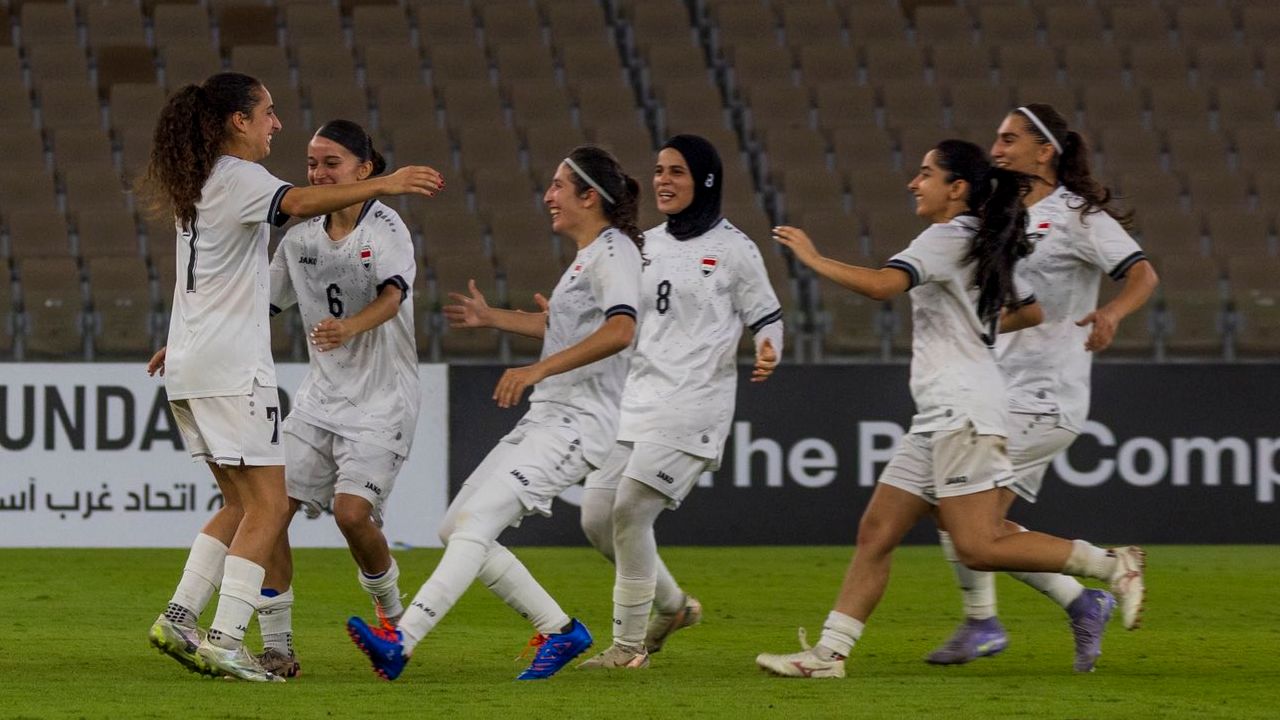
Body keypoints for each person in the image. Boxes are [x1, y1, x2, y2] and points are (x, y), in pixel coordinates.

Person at [754, 140, 1146, 679]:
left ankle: (1109, 564)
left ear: (956, 188)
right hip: (942, 412)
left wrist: (812, 258)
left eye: (925, 174)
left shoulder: (944, 237)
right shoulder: (984, 242)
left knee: (978, 546)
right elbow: (1029, 309)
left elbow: (880, 286)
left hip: (964, 410)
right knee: (877, 531)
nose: (914, 184)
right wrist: (974, 328)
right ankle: (829, 656)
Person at [141, 72, 442, 682]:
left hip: (195, 362)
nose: (276, 123)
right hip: (231, 367)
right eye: (268, 112)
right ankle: (227, 637)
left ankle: (180, 614)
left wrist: (178, 343)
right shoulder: (241, 177)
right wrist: (387, 181)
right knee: (270, 505)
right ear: (238, 121)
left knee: (242, 502)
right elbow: (297, 203)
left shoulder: (197, 180)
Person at [345, 145, 644, 681]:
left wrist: (537, 371)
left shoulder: (615, 251)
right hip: (550, 417)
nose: (548, 195)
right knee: (453, 527)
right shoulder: (591, 256)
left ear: (590, 197)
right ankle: (560, 630)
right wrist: (494, 318)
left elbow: (622, 330)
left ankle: (402, 640)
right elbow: (567, 329)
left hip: (579, 423)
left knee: (476, 524)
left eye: (559, 186)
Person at [924, 105, 1159, 672]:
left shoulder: (1077, 216)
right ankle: (1082, 602)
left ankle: (1088, 575)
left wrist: (1112, 314)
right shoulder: (1000, 214)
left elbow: (1143, 273)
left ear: (1044, 150)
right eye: (996, 138)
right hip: (998, 392)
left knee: (956, 511)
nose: (997, 149)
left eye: (1009, 139)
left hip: (1043, 397)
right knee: (976, 526)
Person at [576, 134, 783, 669]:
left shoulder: (736, 249)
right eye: (660, 170)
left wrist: (768, 348)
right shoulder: (642, 244)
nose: (664, 181)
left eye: (678, 172)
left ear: (706, 182)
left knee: (629, 511)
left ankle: (627, 647)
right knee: (597, 517)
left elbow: (768, 317)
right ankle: (671, 607)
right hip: (636, 400)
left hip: (695, 404)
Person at [242, 119, 426, 678]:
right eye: (313, 164)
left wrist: (350, 327)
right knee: (271, 512)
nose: (318, 173)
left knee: (353, 515)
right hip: (320, 399)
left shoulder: (386, 225)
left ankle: (393, 623)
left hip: (384, 401)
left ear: (364, 170)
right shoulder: (298, 239)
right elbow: (258, 310)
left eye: (331, 163)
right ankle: (277, 646)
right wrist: (182, 344)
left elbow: (393, 297)